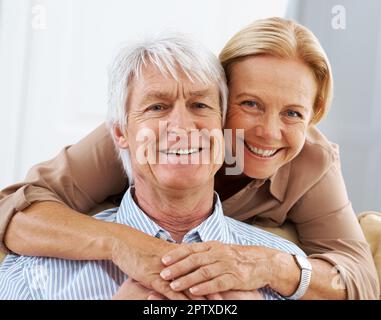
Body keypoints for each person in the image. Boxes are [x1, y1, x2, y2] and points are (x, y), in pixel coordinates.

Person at [0, 18, 379, 300]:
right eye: (250, 104)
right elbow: (15, 209)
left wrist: (268, 265)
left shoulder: (311, 161)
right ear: (224, 94)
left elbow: (362, 275)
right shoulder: (138, 130)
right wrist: (126, 244)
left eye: (293, 113)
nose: (268, 131)